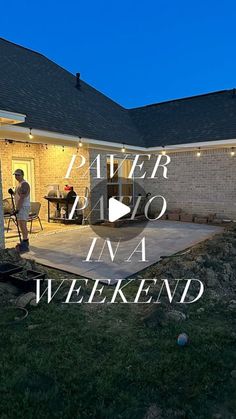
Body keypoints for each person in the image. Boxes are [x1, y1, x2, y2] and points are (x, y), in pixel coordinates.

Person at [13, 169, 31, 253]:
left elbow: (22, 198)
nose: (16, 176)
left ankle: (25, 241)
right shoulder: (19, 184)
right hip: (20, 207)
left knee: (23, 224)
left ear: (22, 175)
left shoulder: (24, 184)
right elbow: (18, 195)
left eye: (18, 175)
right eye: (15, 175)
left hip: (23, 207)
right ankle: (24, 240)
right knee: (20, 224)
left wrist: (18, 209)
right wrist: (12, 193)